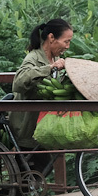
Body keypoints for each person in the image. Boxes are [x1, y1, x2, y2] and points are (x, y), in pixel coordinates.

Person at [9, 19, 74, 149]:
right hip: (28, 128)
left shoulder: (54, 58)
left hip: (45, 127)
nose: (67, 46)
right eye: (66, 41)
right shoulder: (33, 58)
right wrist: (50, 68)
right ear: (51, 38)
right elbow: (19, 82)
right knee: (31, 168)